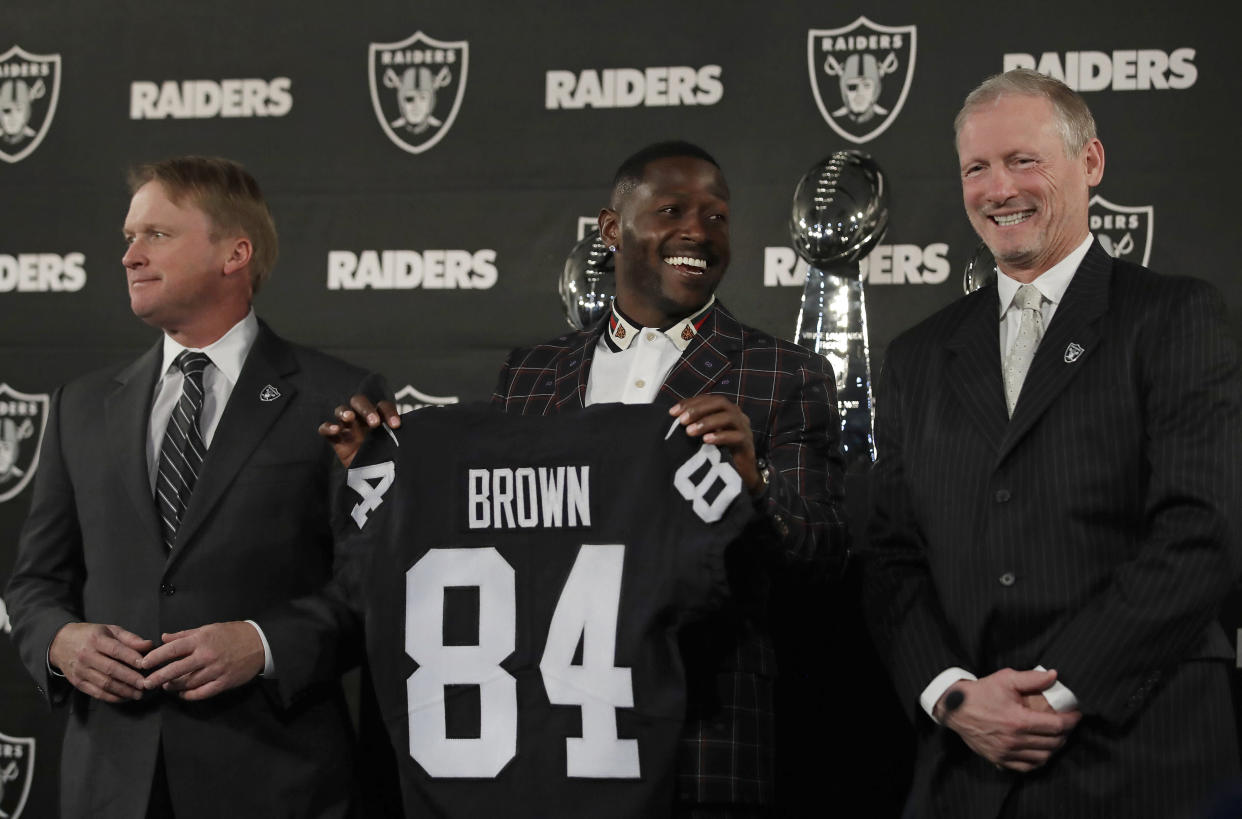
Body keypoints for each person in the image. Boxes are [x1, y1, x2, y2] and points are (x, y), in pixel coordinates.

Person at [325, 140, 849, 816]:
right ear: (611, 229)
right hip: (549, 733)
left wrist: (756, 487)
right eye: (671, 209)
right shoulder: (532, 373)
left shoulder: (784, 373)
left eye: (716, 216)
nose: (698, 230)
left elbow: (824, 556)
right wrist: (380, 473)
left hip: (705, 726)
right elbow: (482, 530)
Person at [863, 69, 1241, 818]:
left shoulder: (1174, 317)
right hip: (965, 774)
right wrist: (955, 694)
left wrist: (1053, 691)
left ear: (1091, 163)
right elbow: (890, 555)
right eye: (977, 167)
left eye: (1023, 160)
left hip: (1144, 756)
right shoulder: (915, 356)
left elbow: (1204, 530)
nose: (998, 187)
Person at [5, 156, 379, 818]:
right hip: (110, 787)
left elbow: (372, 587)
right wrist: (60, 643)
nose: (130, 256)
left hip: (277, 783)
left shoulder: (337, 397)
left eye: (157, 234)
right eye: (128, 236)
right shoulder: (80, 406)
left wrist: (262, 643)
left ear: (235, 253)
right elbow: (35, 584)